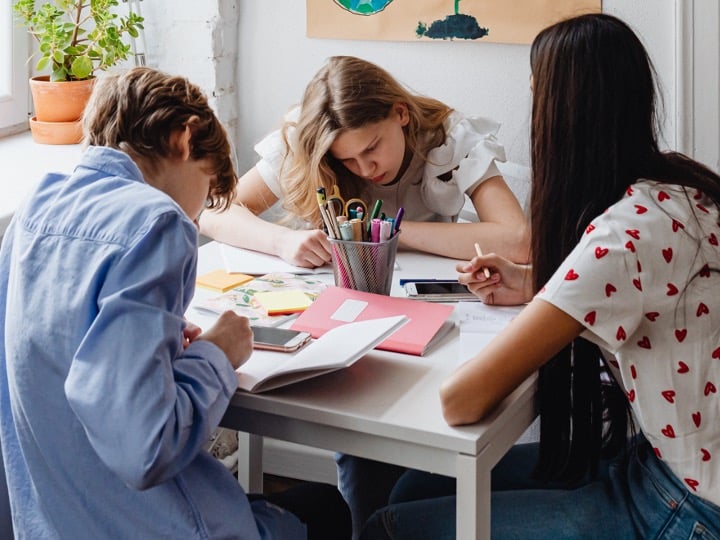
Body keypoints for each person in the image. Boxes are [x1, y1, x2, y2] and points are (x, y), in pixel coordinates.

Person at [354, 13, 720, 539]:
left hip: (687, 505)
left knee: (389, 526)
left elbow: (463, 400)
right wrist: (531, 284)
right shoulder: (681, 187)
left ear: (563, 114)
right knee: (413, 489)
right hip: (662, 463)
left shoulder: (622, 237)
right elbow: (640, 293)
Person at [0, 67, 350, 539]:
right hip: (151, 524)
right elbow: (145, 449)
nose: (196, 211)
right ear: (184, 139)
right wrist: (219, 351)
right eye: (206, 186)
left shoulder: (33, 210)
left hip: (53, 522)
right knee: (329, 506)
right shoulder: (157, 221)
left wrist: (162, 348)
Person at [200, 55, 530, 267]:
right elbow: (215, 213)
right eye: (346, 160)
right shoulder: (310, 139)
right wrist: (282, 241)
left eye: (372, 148)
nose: (365, 169)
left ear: (400, 113)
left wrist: (388, 231)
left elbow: (518, 241)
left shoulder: (451, 137)